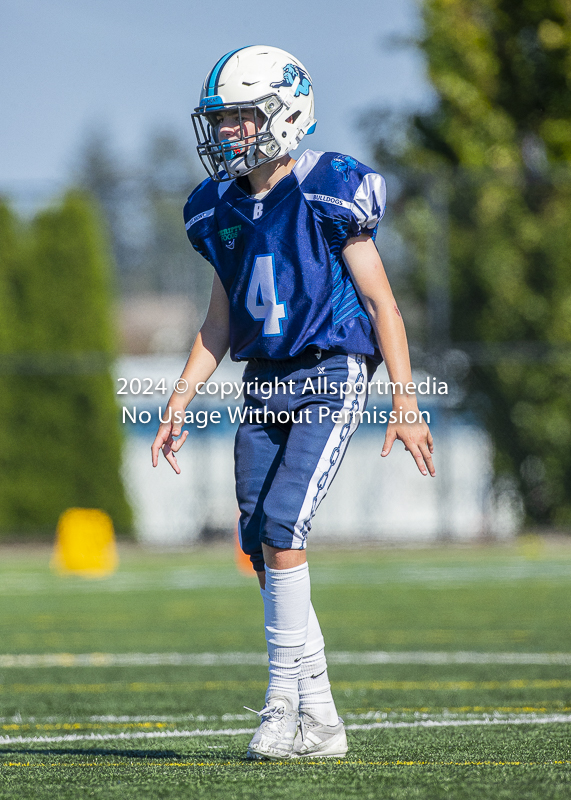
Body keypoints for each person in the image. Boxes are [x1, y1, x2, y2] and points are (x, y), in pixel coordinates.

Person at [151, 45, 434, 761]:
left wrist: (403, 400)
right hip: (265, 381)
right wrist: (181, 398)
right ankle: (322, 718)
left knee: (283, 525)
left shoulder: (326, 189)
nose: (230, 133)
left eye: (243, 117)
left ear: (287, 111)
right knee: (258, 539)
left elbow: (381, 303)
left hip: (330, 371)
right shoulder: (215, 206)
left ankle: (281, 704)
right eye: (223, 120)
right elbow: (218, 322)